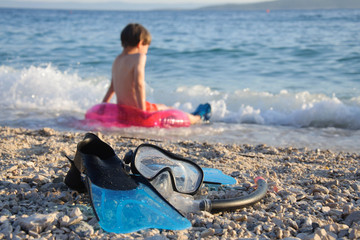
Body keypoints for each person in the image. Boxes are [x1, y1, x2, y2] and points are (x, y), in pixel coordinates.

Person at [102, 23, 211, 124]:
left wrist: (103, 106)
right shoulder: (139, 57)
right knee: (170, 110)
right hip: (137, 110)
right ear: (140, 43)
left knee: (162, 106)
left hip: (123, 113)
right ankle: (198, 117)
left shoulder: (117, 60)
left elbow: (112, 87)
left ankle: (194, 114)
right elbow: (139, 85)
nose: (146, 50)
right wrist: (142, 111)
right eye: (147, 46)